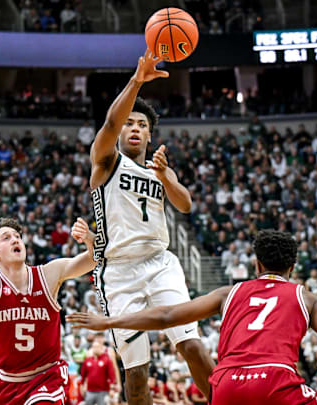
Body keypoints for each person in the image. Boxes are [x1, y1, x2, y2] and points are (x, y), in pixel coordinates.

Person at [68, 230, 317, 405]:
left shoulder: (228, 293)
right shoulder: (304, 295)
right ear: (291, 268)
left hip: (226, 385)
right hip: (275, 381)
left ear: (256, 265)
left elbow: (167, 315)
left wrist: (108, 322)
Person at [87, 49, 214, 403]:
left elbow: (185, 204)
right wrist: (137, 80)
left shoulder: (160, 170)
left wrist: (166, 177)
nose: (135, 128)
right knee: (137, 372)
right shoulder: (106, 161)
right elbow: (110, 124)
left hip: (161, 263)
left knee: (192, 346)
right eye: (131, 122)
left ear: (149, 136)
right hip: (119, 270)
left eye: (143, 125)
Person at [0, 188, 99, 404]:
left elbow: (93, 259)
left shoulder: (48, 274)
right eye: (6, 238)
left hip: (47, 378)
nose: (15, 240)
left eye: (18, 236)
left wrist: (89, 238)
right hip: (9, 384)